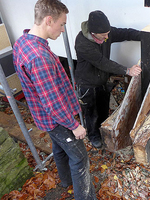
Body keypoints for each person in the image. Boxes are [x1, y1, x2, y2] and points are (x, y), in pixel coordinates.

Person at [13, 0, 96, 199]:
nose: (63, 30)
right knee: (80, 158)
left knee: (60, 148)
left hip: (44, 116)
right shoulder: (39, 57)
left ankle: (66, 181)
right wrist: (74, 125)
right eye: (62, 24)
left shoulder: (24, 41)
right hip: (57, 119)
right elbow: (52, 103)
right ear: (49, 20)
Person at [74, 10, 142, 148]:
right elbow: (102, 62)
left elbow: (125, 33)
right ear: (93, 33)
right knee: (91, 113)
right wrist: (127, 70)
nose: (107, 36)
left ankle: (102, 131)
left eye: (108, 33)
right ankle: (93, 136)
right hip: (87, 83)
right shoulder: (82, 42)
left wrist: (145, 36)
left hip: (102, 80)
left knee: (103, 109)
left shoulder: (106, 33)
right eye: (104, 35)